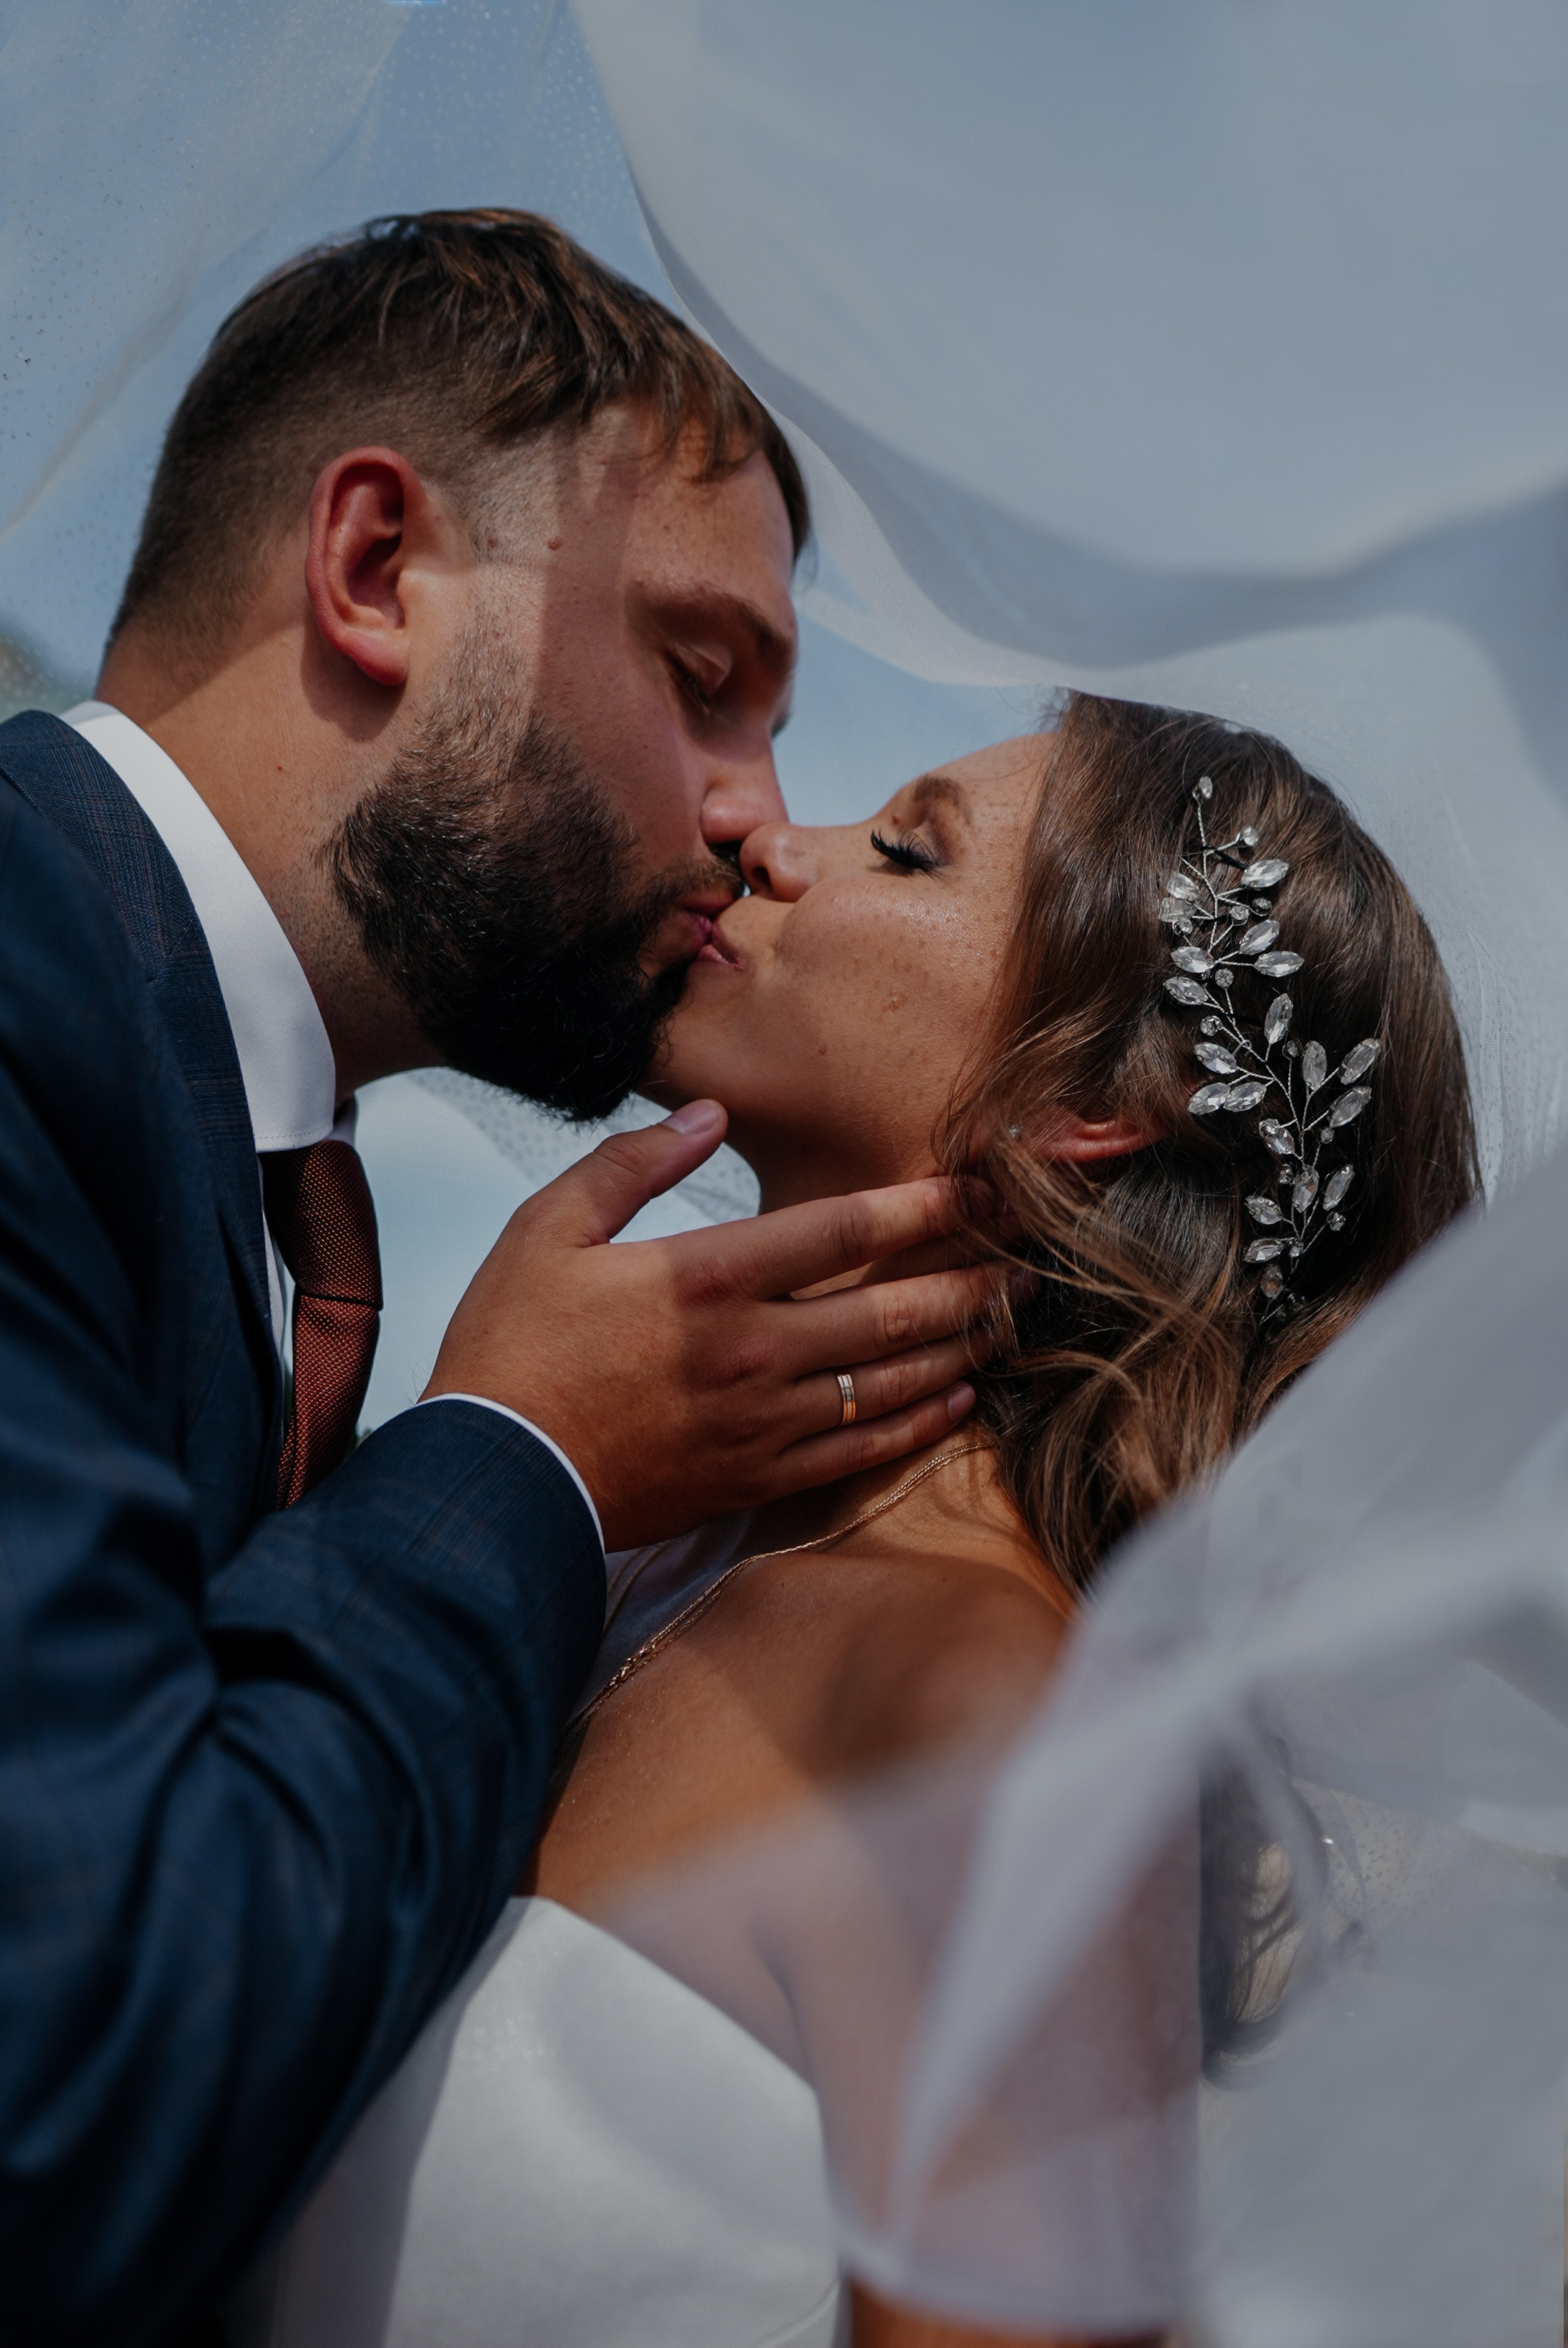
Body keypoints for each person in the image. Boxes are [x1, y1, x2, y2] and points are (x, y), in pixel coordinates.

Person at [0, 211, 996, 2348]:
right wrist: (520, 1452)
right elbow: (70, 2063)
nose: (757, 820)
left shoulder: (211, 1137)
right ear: (375, 569)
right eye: (702, 676)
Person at [230, 694, 1479, 2347]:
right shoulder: (636, 1544)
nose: (770, 842)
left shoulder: (1003, 1724)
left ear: (1094, 1099)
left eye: (903, 848)